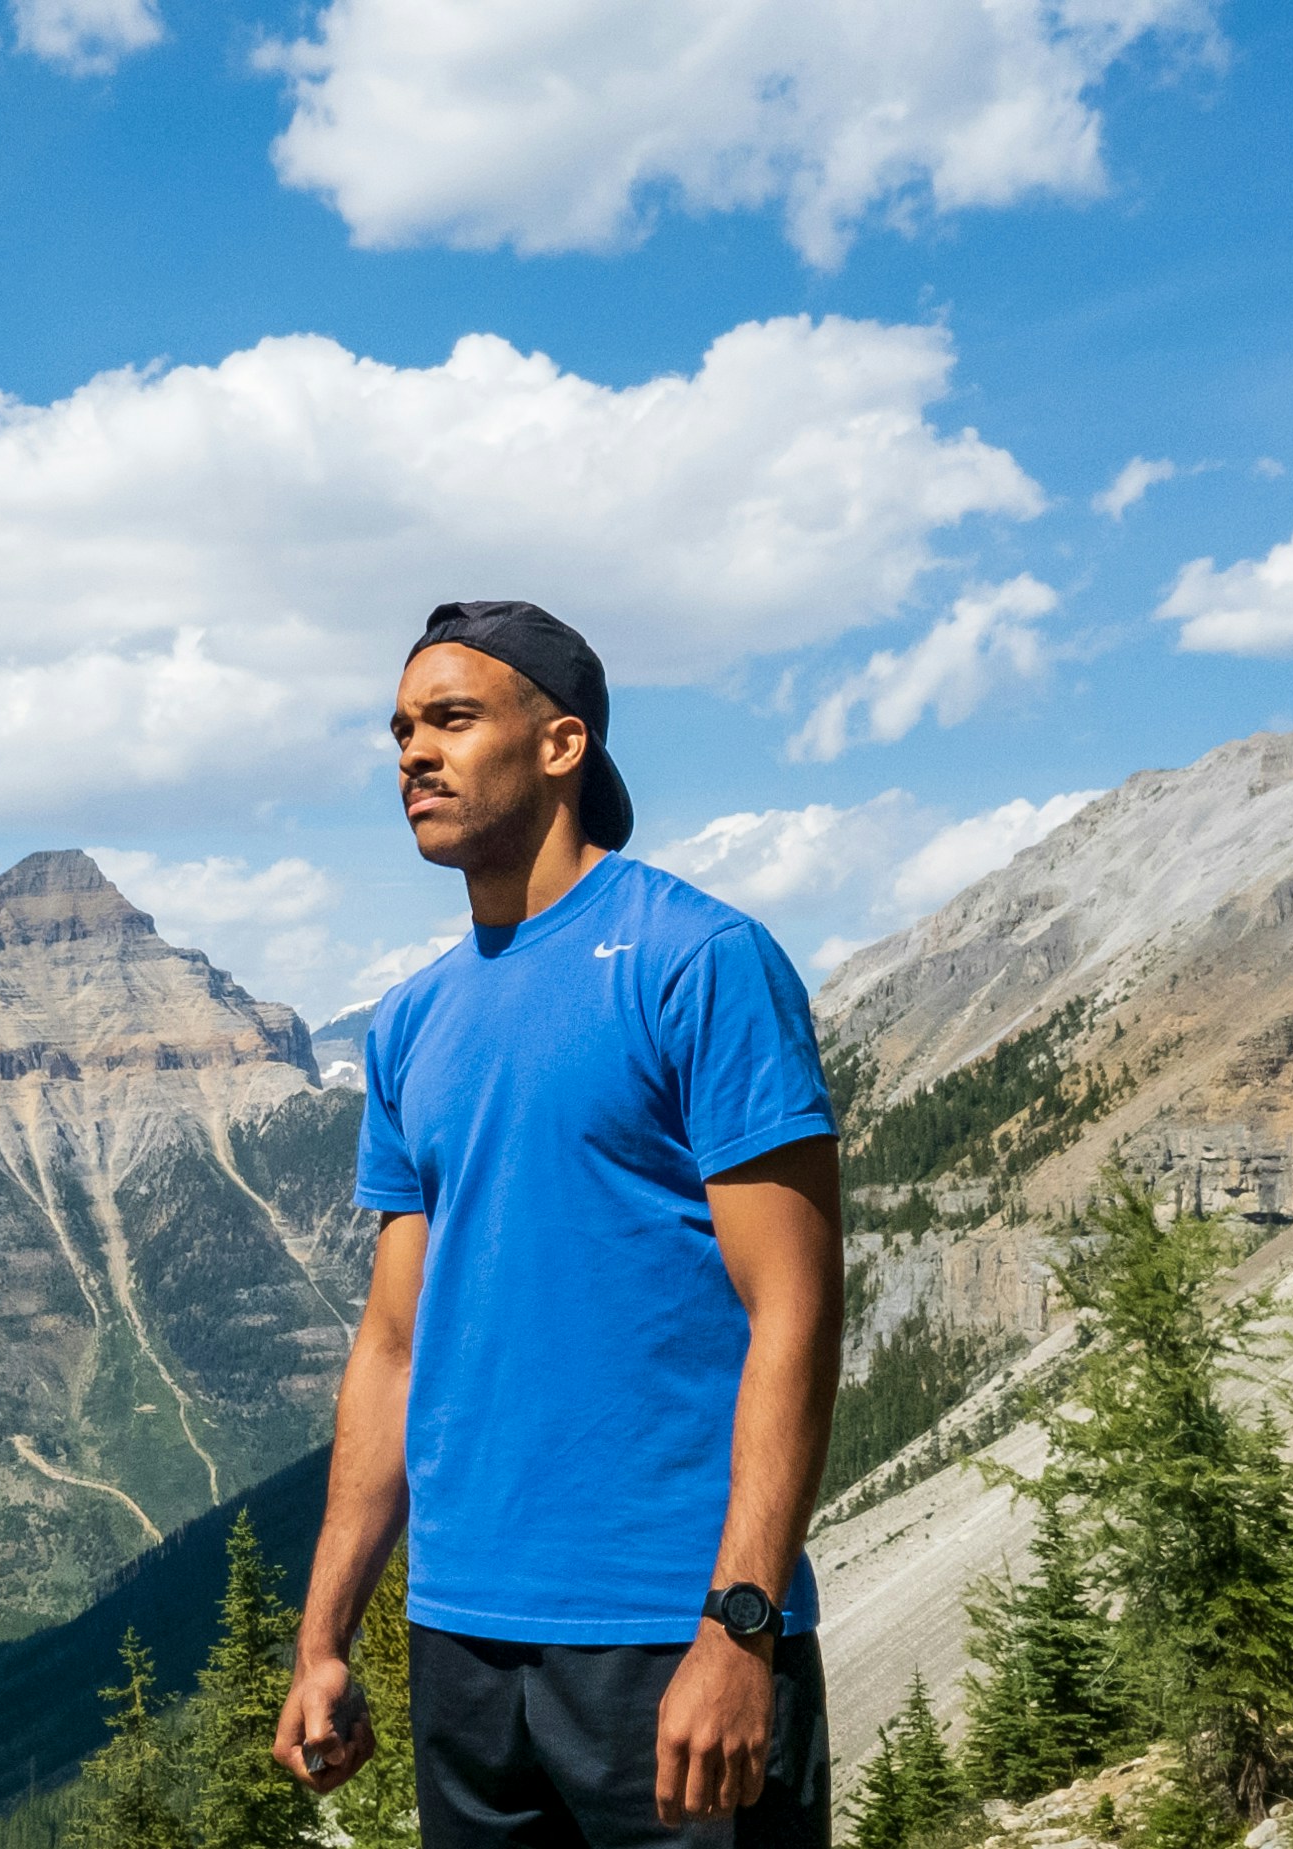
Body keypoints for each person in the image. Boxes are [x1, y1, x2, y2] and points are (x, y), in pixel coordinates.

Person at [275, 600, 846, 1849]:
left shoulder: (698, 960)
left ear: (561, 744)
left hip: (669, 1635)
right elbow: (392, 1345)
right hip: (463, 1645)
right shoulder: (411, 1021)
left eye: (453, 719)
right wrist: (324, 1637)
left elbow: (795, 1307)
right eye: (401, 728)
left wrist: (740, 1627)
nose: (413, 752)